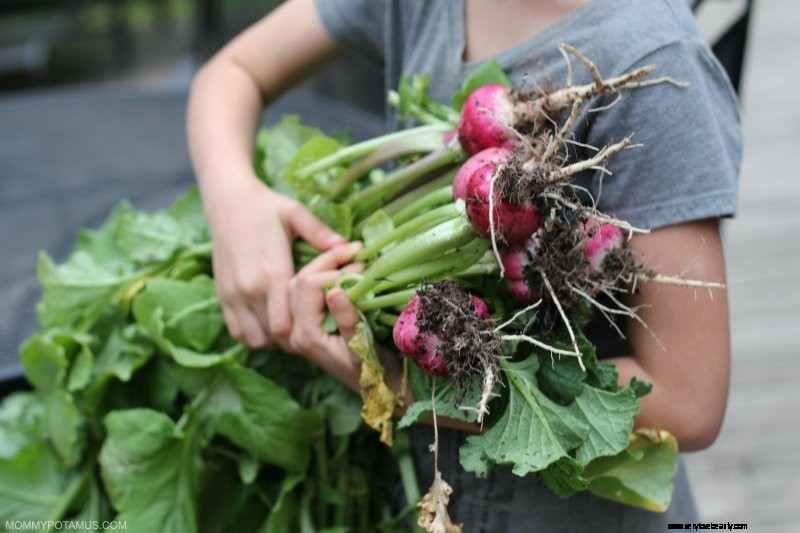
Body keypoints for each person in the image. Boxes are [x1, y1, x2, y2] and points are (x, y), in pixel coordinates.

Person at [187, 0, 741, 530]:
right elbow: (233, 72)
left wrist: (410, 390)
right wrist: (234, 199)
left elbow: (689, 402)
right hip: (416, 491)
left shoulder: (656, 57)